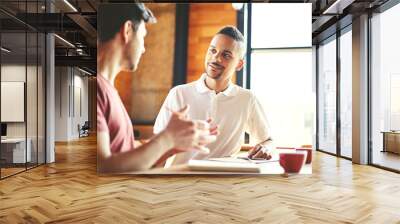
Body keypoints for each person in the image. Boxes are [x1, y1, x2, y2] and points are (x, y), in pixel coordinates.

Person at [96, 3, 215, 173]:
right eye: (143, 37)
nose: (144, 48)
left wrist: (171, 146)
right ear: (128, 30)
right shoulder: (97, 88)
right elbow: (102, 166)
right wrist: (167, 138)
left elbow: (129, 159)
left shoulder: (108, 90)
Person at [154, 26, 273, 166]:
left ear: (239, 64)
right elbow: (157, 144)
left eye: (226, 55)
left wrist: (266, 148)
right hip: (180, 180)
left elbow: (267, 140)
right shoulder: (178, 93)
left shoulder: (247, 99)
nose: (216, 58)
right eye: (213, 51)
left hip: (225, 182)